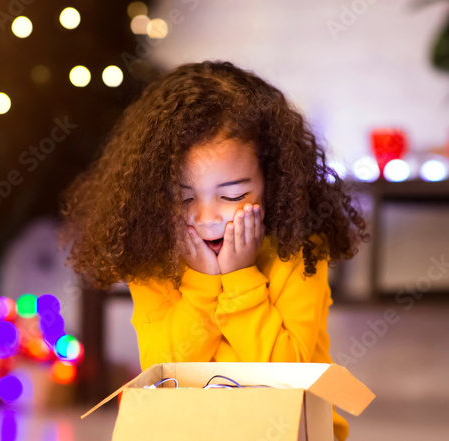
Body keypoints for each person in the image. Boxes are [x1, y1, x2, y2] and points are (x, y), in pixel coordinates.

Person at [61, 61, 368, 440]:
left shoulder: (299, 251)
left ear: (273, 182)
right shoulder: (156, 260)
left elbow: (290, 377)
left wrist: (240, 280)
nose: (207, 219)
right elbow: (165, 376)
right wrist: (205, 283)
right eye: (184, 198)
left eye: (233, 195)